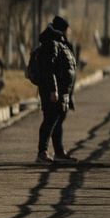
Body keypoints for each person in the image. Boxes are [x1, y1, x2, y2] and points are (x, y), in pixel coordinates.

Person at [35, 15, 78, 164]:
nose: (69, 33)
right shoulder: (52, 43)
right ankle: (42, 152)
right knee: (50, 120)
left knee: (57, 121)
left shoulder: (60, 42)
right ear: (62, 30)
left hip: (62, 91)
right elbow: (49, 68)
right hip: (53, 91)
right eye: (67, 30)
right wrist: (53, 90)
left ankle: (59, 152)